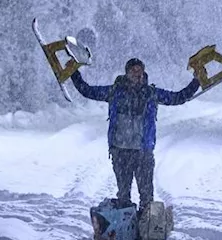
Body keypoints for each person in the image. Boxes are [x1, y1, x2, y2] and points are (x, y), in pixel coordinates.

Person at [71, 57, 200, 211]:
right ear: (127, 73)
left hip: (143, 153)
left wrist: (197, 81)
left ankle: (146, 231)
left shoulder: (151, 93)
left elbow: (178, 97)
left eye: (140, 70)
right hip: (120, 152)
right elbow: (87, 91)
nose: (137, 73)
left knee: (147, 198)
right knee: (123, 197)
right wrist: (74, 73)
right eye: (133, 70)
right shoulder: (114, 91)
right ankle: (126, 229)